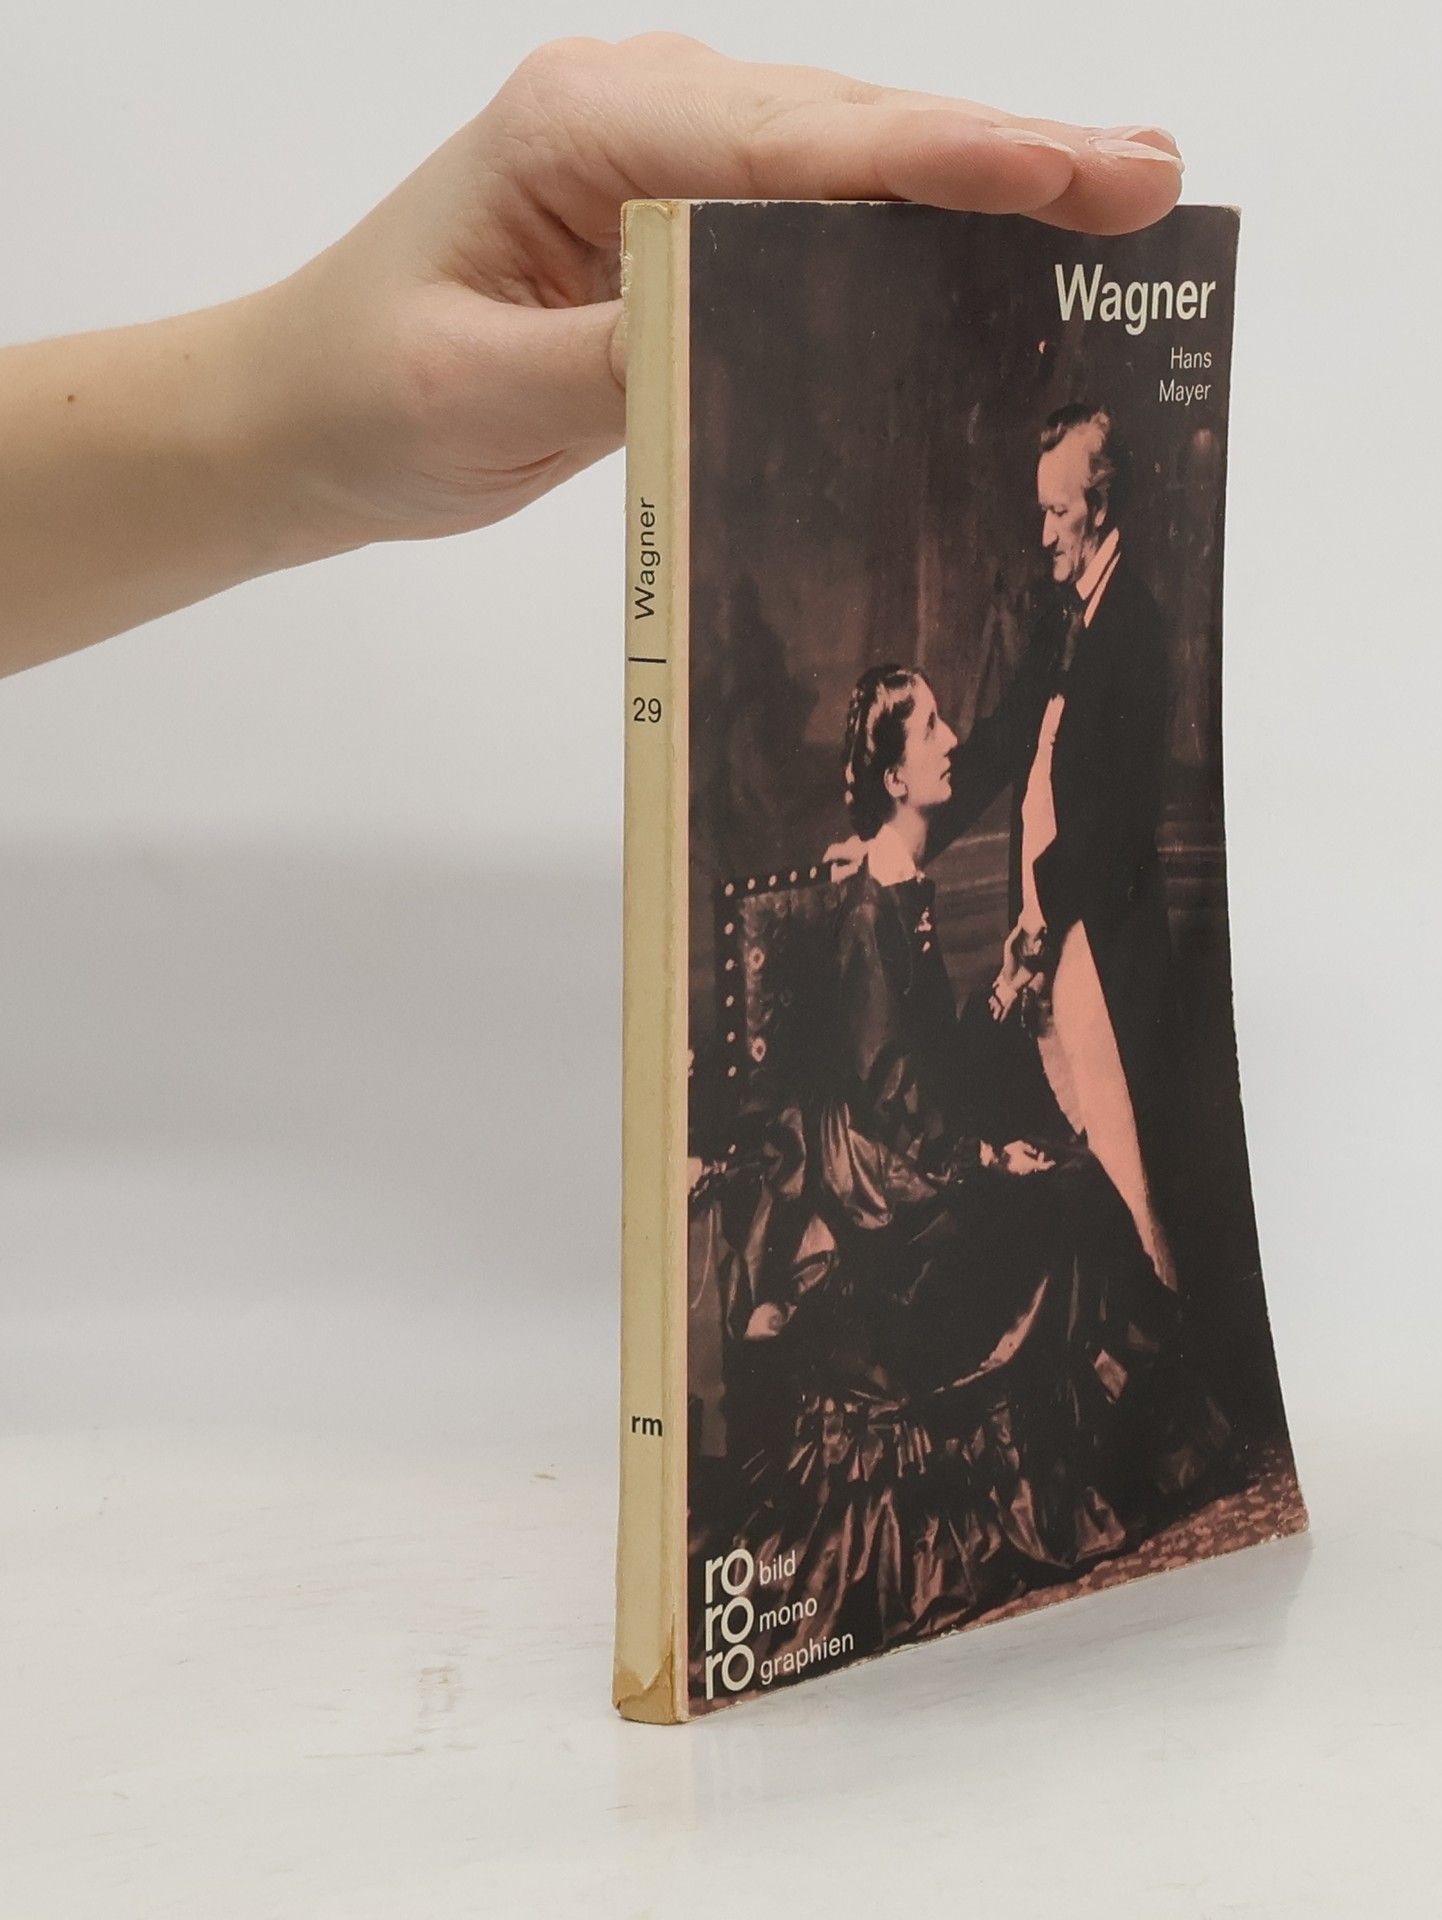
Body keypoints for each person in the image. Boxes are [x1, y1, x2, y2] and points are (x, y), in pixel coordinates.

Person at [0, 37, 1184, 676]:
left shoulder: (1113, 622)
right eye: (1042, 510)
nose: (1043, 532)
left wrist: (272, 433)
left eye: (1057, 510)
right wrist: (275, 422)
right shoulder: (1035, 621)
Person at [693, 665, 1183, 1666]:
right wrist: (988, 1159)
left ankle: (1108, 1470)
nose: (953, 740)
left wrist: (1001, 991)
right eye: (929, 730)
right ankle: (1096, 1480)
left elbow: (931, 1069)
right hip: (893, 1207)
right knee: (1067, 1196)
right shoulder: (871, 908)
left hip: (916, 1166)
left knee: (1072, 1180)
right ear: (894, 777)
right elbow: (895, 1102)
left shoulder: (901, 890)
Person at [934, 404, 1184, 1286]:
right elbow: (1005, 738)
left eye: (1057, 512)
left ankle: (1157, 1330)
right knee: (1074, 1136)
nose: (1042, 533)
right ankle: (1109, 1337)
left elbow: (1120, 819)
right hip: (1048, 926)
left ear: (1101, 509)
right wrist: (903, 832)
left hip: (1099, 940)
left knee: (1121, 1148)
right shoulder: (1060, 614)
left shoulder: (1136, 628)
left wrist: (1045, 923)